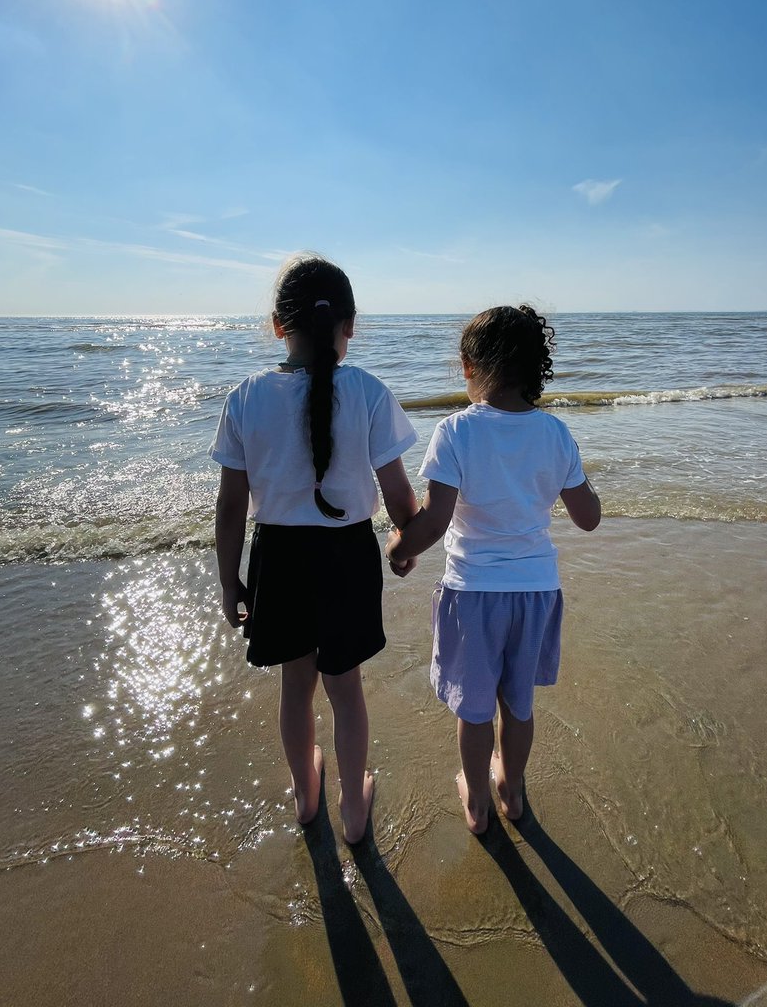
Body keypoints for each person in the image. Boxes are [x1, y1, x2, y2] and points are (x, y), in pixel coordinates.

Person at [210, 255, 418, 844]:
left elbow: (230, 508)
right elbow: (398, 494)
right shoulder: (370, 392)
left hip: (277, 558)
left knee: (295, 686)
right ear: (349, 325)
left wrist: (230, 583)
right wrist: (405, 543)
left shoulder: (247, 397)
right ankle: (354, 812)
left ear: (279, 324)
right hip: (347, 556)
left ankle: (307, 797)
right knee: (345, 689)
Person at [385, 305, 601, 835]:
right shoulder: (555, 433)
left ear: (467, 366)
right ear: (536, 371)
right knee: (518, 703)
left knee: (474, 706)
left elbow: (434, 521)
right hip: (535, 592)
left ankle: (478, 802)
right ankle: (513, 789)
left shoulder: (456, 430)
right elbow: (588, 517)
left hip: (474, 592)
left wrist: (398, 545)